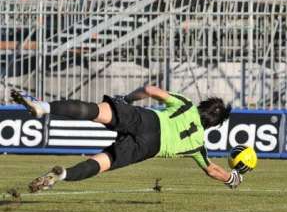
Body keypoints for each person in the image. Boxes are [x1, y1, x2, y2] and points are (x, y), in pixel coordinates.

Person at [10, 86, 243, 193]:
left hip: (146, 120)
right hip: (148, 147)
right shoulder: (197, 145)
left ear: (203, 106)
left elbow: (151, 90)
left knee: (95, 111)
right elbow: (212, 170)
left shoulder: (185, 104)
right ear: (214, 125)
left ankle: (43, 107)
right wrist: (233, 179)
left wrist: (128, 99)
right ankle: (62, 175)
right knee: (104, 161)